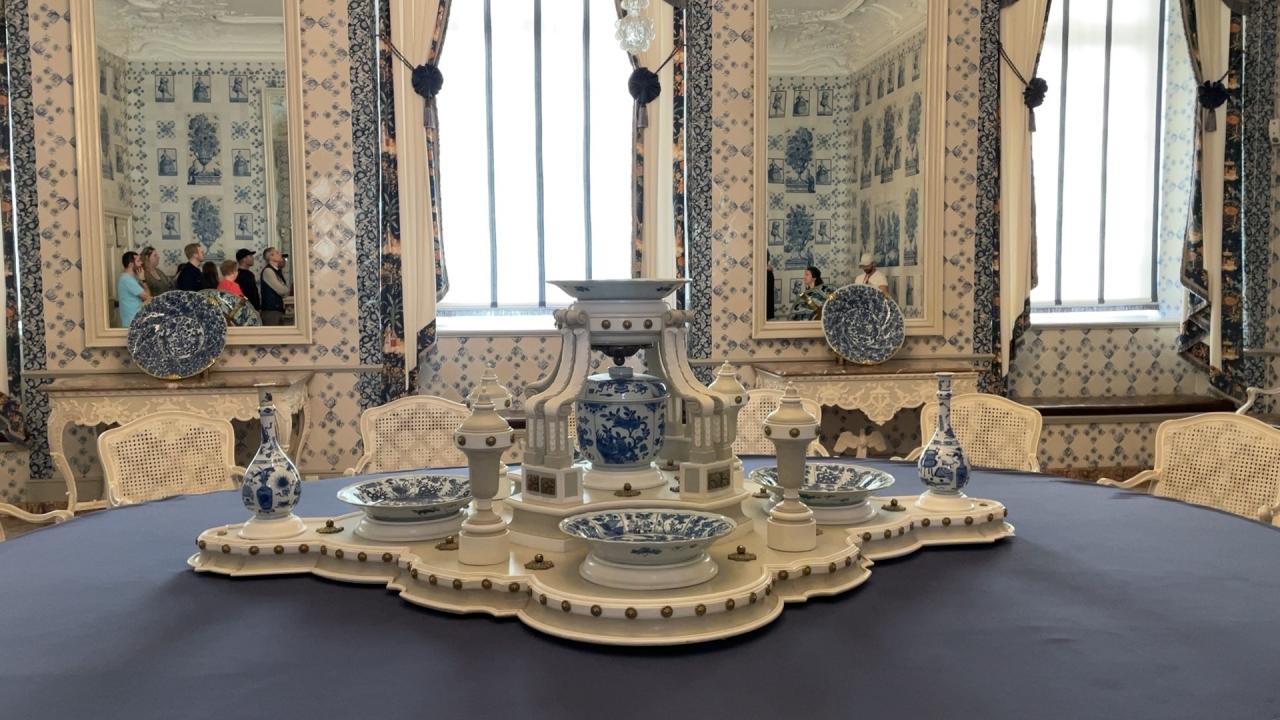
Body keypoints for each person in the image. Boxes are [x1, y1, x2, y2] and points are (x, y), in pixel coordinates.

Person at [259, 247, 291, 326]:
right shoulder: (268, 271)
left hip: (276, 310)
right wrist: (285, 289)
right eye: (277, 252)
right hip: (271, 312)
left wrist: (285, 289)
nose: (280, 254)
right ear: (270, 256)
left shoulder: (276, 271)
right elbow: (282, 291)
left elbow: (286, 292)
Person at [117, 251, 149, 327]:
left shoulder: (133, 278)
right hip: (132, 323)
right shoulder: (127, 279)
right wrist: (143, 280)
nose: (141, 263)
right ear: (131, 264)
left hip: (136, 321)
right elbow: (148, 298)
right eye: (138, 261)